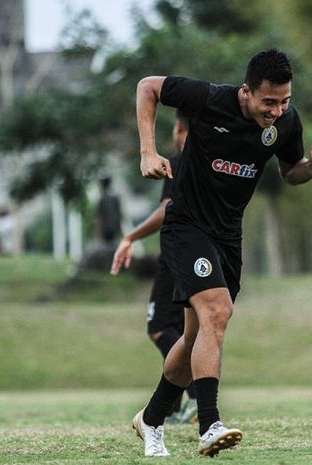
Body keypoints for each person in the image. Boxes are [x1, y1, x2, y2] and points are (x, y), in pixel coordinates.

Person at [131, 48, 312, 457]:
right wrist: (148, 150)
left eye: (284, 101)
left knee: (195, 338)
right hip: (186, 226)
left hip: (228, 237)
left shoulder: (285, 122)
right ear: (246, 92)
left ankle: (151, 419)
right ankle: (210, 425)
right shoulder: (209, 99)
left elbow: (289, 171)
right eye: (269, 102)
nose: (277, 110)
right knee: (217, 311)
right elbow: (147, 87)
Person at [110, 109, 197, 425]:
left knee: (160, 326)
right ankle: (179, 404)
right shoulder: (212, 160)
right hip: (206, 255)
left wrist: (131, 236)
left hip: (177, 254)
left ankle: (192, 400)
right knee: (192, 329)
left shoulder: (178, 161)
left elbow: (167, 209)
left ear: (179, 127)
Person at [95, 177, 122, 245]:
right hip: (115, 228)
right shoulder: (115, 198)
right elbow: (120, 214)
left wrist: (97, 233)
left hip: (105, 230)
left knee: (106, 248)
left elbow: (99, 217)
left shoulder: (102, 199)